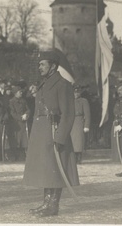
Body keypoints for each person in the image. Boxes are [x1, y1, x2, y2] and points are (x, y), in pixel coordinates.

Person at [23, 49, 79, 217]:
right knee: (46, 169)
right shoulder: (44, 83)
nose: (39, 67)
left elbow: (68, 114)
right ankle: (46, 202)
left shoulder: (62, 85)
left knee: (55, 168)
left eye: (42, 64)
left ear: (53, 66)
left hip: (54, 132)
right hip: (41, 133)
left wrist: (60, 137)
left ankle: (53, 205)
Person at [8, 86, 30, 161]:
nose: (21, 93)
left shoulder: (23, 101)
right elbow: (12, 113)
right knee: (16, 140)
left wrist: (26, 115)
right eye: (20, 92)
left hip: (23, 123)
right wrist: (20, 117)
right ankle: (15, 156)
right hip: (15, 123)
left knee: (23, 140)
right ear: (15, 93)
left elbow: (28, 109)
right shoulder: (11, 101)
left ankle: (22, 155)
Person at [70, 85, 91, 164]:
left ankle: (79, 157)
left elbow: (87, 114)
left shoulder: (84, 101)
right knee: (72, 140)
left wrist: (86, 125)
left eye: (77, 92)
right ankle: (73, 157)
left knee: (79, 141)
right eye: (74, 92)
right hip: (71, 121)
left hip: (79, 121)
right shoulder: (69, 100)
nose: (76, 94)